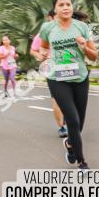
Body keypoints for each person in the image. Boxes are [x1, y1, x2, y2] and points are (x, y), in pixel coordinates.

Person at [37, 0, 98, 169]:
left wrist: (84, 46)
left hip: (80, 77)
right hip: (58, 78)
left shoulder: (82, 27)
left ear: (72, 7)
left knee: (80, 123)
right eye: (61, 5)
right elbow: (43, 46)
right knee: (72, 119)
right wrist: (42, 54)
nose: (65, 7)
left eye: (68, 4)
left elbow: (94, 56)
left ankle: (71, 145)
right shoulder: (48, 28)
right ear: (55, 9)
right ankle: (82, 161)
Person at [31, 10, 68, 138]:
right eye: (56, 17)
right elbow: (33, 50)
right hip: (52, 69)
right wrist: (39, 55)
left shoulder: (67, 30)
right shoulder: (43, 33)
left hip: (69, 67)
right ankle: (62, 127)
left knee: (71, 98)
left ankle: (69, 121)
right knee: (57, 99)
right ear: (50, 18)